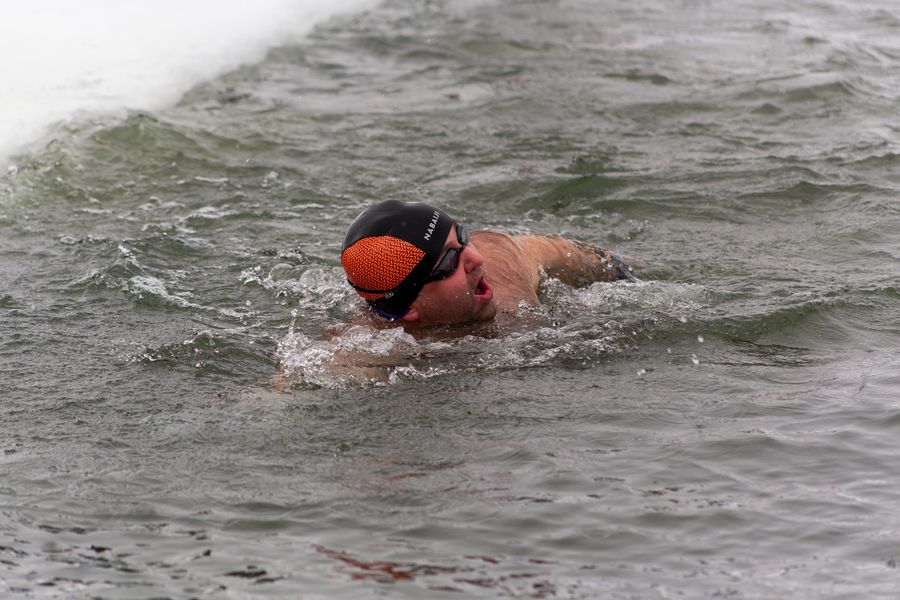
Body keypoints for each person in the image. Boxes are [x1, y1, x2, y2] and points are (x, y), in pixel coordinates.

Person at [341, 200, 637, 327]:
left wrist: (624, 274)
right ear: (407, 309)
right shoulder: (373, 353)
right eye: (451, 260)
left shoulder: (501, 262)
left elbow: (562, 251)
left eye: (462, 236)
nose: (476, 257)